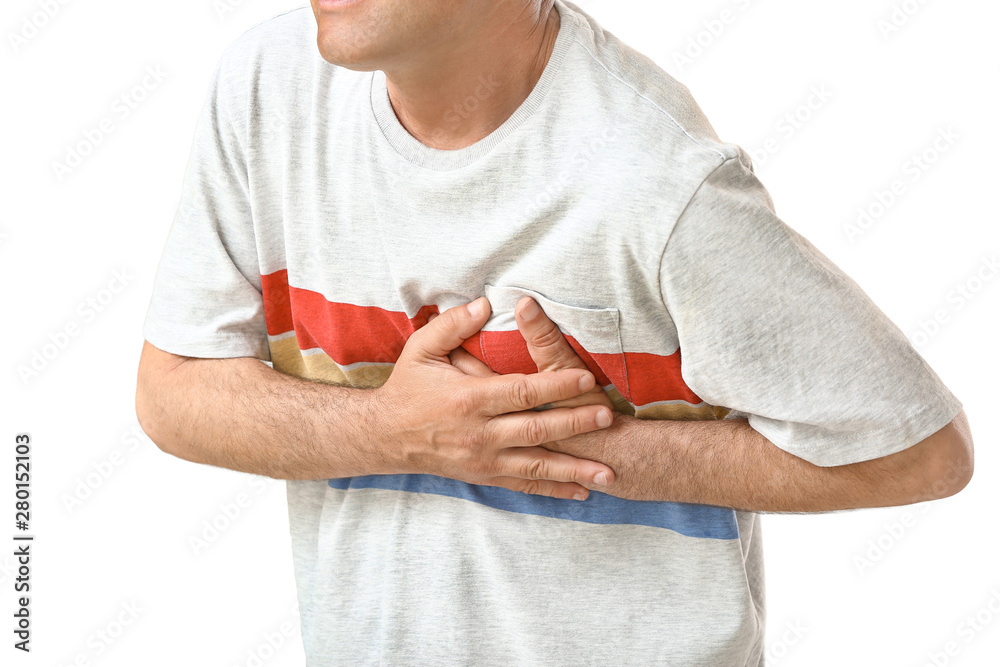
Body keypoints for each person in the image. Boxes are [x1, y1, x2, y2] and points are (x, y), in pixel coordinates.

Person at [134, 0, 974, 664]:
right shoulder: (265, 90)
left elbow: (920, 452)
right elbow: (172, 391)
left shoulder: (653, 181)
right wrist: (398, 431)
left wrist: (563, 446)